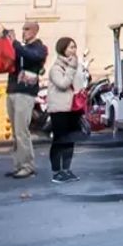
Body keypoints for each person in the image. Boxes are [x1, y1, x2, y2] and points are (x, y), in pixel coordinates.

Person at [6, 21, 48, 179]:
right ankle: (18, 165)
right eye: (23, 29)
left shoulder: (39, 48)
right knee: (15, 132)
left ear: (35, 31)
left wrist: (15, 43)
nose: (24, 32)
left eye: (27, 29)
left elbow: (32, 56)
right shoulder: (19, 48)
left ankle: (27, 166)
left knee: (22, 130)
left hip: (25, 93)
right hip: (12, 90)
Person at [46, 37, 87, 183]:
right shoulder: (56, 68)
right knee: (59, 140)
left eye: (74, 47)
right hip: (59, 108)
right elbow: (63, 84)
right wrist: (71, 69)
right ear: (62, 49)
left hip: (73, 108)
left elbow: (79, 84)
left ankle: (67, 169)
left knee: (70, 140)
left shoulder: (76, 65)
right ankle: (57, 172)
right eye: (70, 47)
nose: (73, 50)